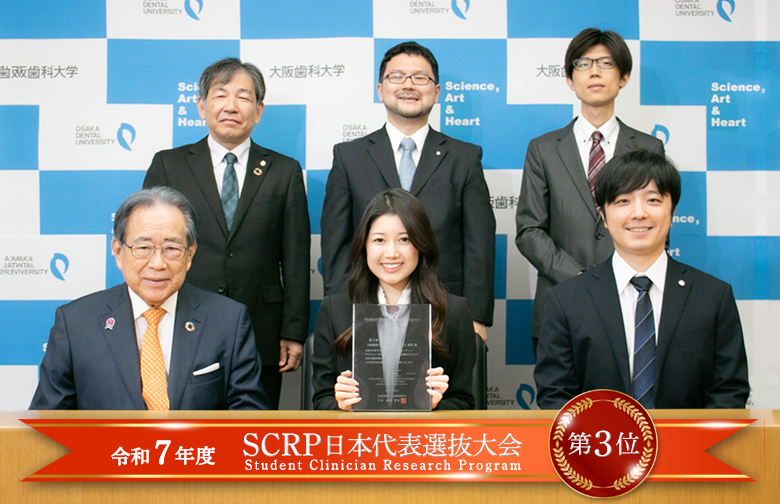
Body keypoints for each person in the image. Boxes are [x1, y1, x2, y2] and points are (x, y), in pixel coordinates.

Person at [144, 58, 310, 409]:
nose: (231, 106)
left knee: (255, 430)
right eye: (220, 95)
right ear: (201, 106)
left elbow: (296, 259)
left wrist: (292, 331)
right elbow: (148, 247)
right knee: (189, 427)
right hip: (184, 321)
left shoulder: (284, 171)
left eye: (243, 97)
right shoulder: (169, 165)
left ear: (258, 110)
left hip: (262, 330)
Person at [534, 150, 750, 409]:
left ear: (672, 211)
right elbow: (555, 395)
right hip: (598, 436)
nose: (638, 213)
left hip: (688, 436)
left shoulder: (713, 295)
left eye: (653, 200)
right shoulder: (567, 299)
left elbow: (729, 391)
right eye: (623, 201)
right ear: (603, 215)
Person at [30, 187, 268, 410]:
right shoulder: (75, 323)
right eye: (143, 248)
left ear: (190, 255)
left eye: (172, 249)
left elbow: (249, 419)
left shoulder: (228, 321)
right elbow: (47, 422)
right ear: (118, 252)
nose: (157, 264)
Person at [321, 41, 495, 342]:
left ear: (436, 91)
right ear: (380, 89)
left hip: (444, 311)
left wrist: (475, 316)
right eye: (397, 76)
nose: (408, 85)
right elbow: (335, 246)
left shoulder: (464, 157)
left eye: (420, 78)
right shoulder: (349, 157)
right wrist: (342, 313)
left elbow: (479, 244)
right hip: (366, 310)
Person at [515, 28, 664, 356]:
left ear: (624, 77)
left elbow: (656, 226)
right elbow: (529, 231)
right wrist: (579, 279)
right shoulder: (543, 149)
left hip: (633, 302)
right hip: (561, 300)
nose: (594, 72)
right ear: (570, 79)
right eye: (583, 64)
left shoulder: (649, 148)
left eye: (606, 63)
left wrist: (619, 280)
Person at [312, 189, 476, 410]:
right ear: (364, 245)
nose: (391, 253)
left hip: (422, 433)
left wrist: (435, 407)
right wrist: (342, 406)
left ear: (421, 243)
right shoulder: (335, 310)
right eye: (379, 240)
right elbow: (321, 400)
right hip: (359, 433)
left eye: (404, 239)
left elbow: (464, 402)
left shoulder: (453, 312)